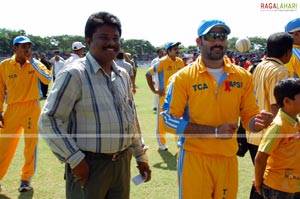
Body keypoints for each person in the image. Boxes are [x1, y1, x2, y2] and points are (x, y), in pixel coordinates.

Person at [38, 11, 151, 199]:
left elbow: (131, 119)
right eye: (104, 37)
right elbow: (48, 120)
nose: (111, 43)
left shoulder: (122, 75)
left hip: (121, 164)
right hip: (89, 166)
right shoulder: (74, 74)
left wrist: (140, 156)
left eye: (116, 38)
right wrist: (75, 159)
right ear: (89, 41)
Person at [160, 19, 273, 199]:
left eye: (222, 36)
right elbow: (168, 119)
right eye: (212, 36)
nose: (218, 41)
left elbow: (249, 116)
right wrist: (213, 131)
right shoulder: (182, 78)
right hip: (194, 158)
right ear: (199, 41)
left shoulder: (243, 76)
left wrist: (257, 123)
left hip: (227, 158)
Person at [0, 36, 52, 192]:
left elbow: (47, 79)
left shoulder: (35, 64)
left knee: (30, 146)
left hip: (31, 107)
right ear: (15, 48)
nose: (27, 49)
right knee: (3, 144)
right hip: (12, 109)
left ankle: (25, 180)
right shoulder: (4, 65)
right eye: (23, 46)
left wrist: (34, 62)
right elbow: (0, 90)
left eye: (28, 46)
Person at [246, 32, 293, 199]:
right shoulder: (280, 71)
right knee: (269, 183)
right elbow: (277, 105)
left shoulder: (257, 66)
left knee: (261, 180)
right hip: (270, 135)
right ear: (288, 52)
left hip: (253, 132)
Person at [254, 78, 300, 199]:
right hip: (278, 188)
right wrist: (258, 183)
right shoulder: (278, 126)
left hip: (293, 185)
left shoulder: (296, 122)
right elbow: (260, 157)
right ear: (287, 101)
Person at [145, 42, 184, 151]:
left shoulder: (180, 62)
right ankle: (161, 144)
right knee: (161, 121)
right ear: (169, 51)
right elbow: (148, 74)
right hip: (164, 97)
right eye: (175, 49)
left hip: (178, 96)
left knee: (178, 119)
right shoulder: (162, 62)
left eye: (177, 48)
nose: (177, 51)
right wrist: (155, 90)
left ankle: (179, 142)